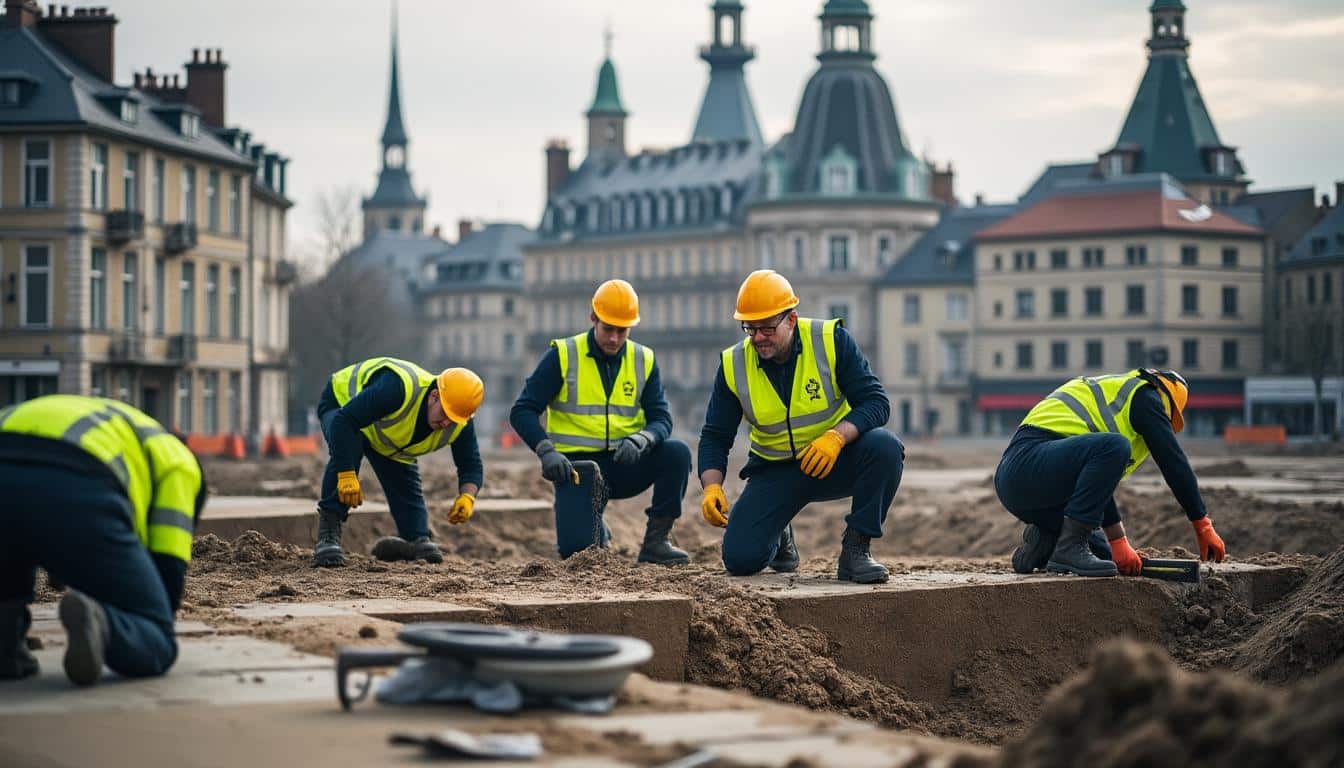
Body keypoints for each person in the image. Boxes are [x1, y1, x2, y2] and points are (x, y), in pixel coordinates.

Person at [697, 270, 904, 583]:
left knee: (885, 447)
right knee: (740, 559)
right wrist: (712, 486)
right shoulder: (733, 364)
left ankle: (856, 550)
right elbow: (715, 435)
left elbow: (876, 403)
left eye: (767, 328)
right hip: (775, 471)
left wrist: (836, 437)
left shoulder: (831, 341)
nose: (758, 337)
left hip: (833, 460)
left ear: (791, 319)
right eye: (750, 328)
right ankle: (781, 536)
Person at [0, 395, 206, 686]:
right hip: (78, 480)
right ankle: (102, 623)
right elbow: (168, 568)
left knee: (9, 553)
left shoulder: (110, 420)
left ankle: (6, 645)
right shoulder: (181, 465)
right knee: (157, 637)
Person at [510, 279, 692, 564]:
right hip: (577, 471)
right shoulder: (563, 355)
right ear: (593, 318)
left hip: (624, 463)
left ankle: (657, 542)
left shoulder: (643, 359)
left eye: (622, 331)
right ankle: (592, 521)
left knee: (677, 453)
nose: (614, 339)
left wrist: (641, 440)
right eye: (608, 329)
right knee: (577, 552)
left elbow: (661, 418)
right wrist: (546, 452)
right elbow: (522, 410)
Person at [994, 368, 1227, 577]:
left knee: (1105, 555)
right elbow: (1173, 462)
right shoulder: (1145, 397)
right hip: (1027, 463)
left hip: (1025, 484)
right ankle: (1068, 546)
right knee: (1115, 446)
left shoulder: (1116, 400)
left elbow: (1097, 487)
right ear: (1167, 402)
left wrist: (1117, 545)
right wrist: (1202, 525)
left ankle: (1043, 543)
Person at [314, 359, 484, 567]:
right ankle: (328, 536)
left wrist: (467, 497)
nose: (446, 423)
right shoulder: (397, 388)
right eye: (445, 414)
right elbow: (344, 421)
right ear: (434, 396)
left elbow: (471, 465)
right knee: (348, 447)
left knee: (415, 526)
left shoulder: (460, 421)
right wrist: (346, 474)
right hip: (342, 404)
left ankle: (415, 538)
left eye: (454, 419)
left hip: (385, 439)